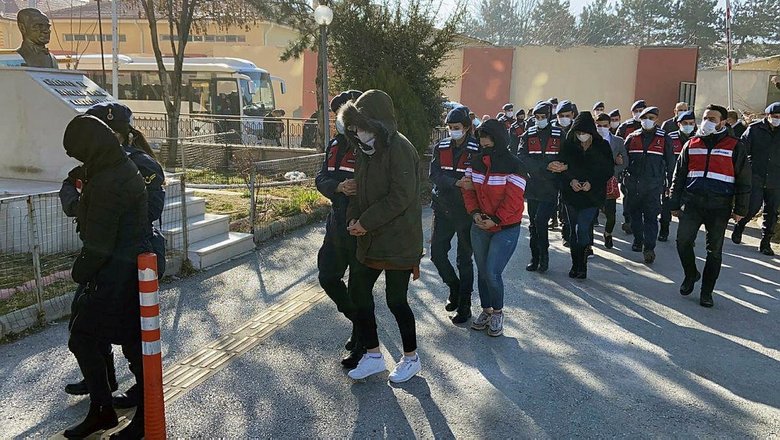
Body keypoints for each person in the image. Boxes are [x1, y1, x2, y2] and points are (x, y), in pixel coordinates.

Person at [60, 103, 165, 422]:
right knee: (90, 324)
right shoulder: (97, 164)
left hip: (134, 255)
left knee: (133, 333)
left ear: (123, 133)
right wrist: (83, 207)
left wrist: (100, 212)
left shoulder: (139, 165)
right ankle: (102, 383)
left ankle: (142, 399)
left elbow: (149, 211)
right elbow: (69, 186)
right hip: (106, 253)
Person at [337, 90, 424, 383]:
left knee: (396, 300)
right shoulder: (364, 151)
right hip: (370, 237)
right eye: (355, 128)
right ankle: (373, 354)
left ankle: (411, 358)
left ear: (378, 123)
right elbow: (358, 191)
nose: (358, 133)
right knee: (358, 292)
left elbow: (400, 197)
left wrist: (365, 222)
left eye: (363, 126)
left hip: (400, 239)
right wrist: (353, 219)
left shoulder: (400, 148)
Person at [670, 104, 751, 307]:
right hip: (693, 203)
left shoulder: (735, 145)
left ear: (723, 122)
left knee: (714, 251)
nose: (706, 122)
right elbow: (678, 176)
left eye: (712, 119)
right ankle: (691, 274)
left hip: (719, 206)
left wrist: (740, 209)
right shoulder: (692, 143)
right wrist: (673, 202)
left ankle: (707, 292)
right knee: (682, 241)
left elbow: (744, 180)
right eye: (705, 118)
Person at [461, 119, 526, 337]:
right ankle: (486, 311)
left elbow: (514, 200)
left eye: (487, 136)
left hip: (505, 227)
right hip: (480, 225)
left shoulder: (515, 165)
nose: (483, 141)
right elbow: (468, 190)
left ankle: (498, 312)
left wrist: (496, 220)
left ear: (497, 138)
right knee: (482, 271)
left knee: (492, 272)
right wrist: (475, 214)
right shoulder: (475, 162)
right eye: (480, 136)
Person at [315, 90, 363, 369]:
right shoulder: (334, 144)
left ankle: (361, 341)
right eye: (337, 115)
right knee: (327, 276)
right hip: (336, 222)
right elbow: (321, 177)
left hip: (358, 225)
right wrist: (337, 187)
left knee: (358, 286)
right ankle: (358, 321)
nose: (338, 120)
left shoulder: (367, 147)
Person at [429, 107, 480, 324]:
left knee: (464, 260)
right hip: (442, 208)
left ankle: (465, 306)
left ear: (467, 128)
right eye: (450, 128)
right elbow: (434, 174)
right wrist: (455, 182)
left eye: (457, 128)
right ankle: (455, 287)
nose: (453, 131)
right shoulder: (440, 147)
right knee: (437, 254)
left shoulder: (476, 148)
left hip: (466, 212)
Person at [559, 112, 614, 278]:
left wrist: (592, 183)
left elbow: (608, 170)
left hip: (592, 196)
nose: (581, 136)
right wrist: (571, 181)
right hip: (571, 195)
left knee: (582, 228)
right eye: (578, 133)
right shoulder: (568, 146)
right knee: (573, 231)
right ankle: (575, 263)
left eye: (584, 133)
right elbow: (561, 168)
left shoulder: (602, 146)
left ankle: (582, 266)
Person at [517, 101, 565, 273]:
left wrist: (562, 166)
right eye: (537, 117)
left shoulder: (559, 134)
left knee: (541, 221)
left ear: (549, 117)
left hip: (551, 186)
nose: (540, 120)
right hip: (533, 186)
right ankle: (534, 257)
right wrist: (544, 166)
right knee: (532, 224)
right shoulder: (528, 135)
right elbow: (521, 156)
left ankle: (544, 258)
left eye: (543, 117)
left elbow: (567, 155)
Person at [624, 106, 675, 264]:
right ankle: (638, 240)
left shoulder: (664, 138)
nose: (648, 121)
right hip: (634, 185)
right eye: (645, 118)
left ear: (656, 120)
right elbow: (624, 159)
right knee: (635, 216)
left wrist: (670, 183)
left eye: (652, 118)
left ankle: (649, 248)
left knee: (651, 217)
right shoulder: (632, 137)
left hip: (653, 185)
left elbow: (670, 162)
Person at [731, 102, 780, 256]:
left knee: (772, 212)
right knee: (752, 207)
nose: (778, 119)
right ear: (768, 116)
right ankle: (740, 226)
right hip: (755, 176)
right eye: (775, 116)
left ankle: (765, 242)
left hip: (776, 178)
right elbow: (742, 150)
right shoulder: (754, 129)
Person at [659, 110, 696, 242]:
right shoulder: (670, 138)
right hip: (671, 178)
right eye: (685, 123)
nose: (688, 126)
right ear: (678, 124)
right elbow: (664, 159)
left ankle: (685, 238)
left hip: (691, 180)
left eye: (691, 123)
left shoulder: (697, 139)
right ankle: (664, 230)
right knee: (667, 206)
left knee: (688, 211)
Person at [595, 113, 627, 249]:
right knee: (591, 214)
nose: (602, 128)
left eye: (605, 126)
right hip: (593, 183)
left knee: (611, 215)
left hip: (609, 181)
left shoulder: (618, 141)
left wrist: (615, 170)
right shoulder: (589, 140)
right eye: (599, 126)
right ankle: (589, 244)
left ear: (609, 126)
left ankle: (608, 234)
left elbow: (625, 162)